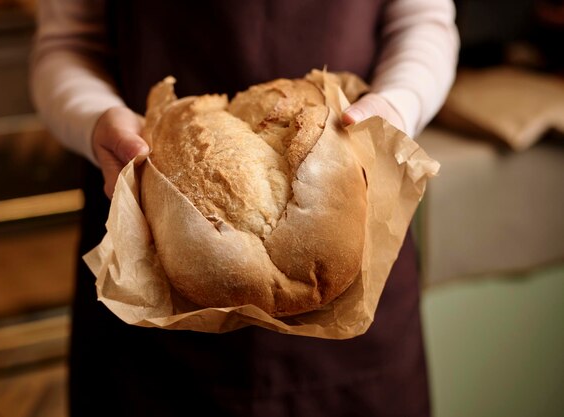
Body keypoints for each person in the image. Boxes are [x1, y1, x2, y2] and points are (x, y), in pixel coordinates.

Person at [30, 1, 459, 416]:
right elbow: (68, 45)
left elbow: (424, 23)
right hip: (149, 260)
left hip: (357, 253)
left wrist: (392, 113)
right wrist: (95, 120)